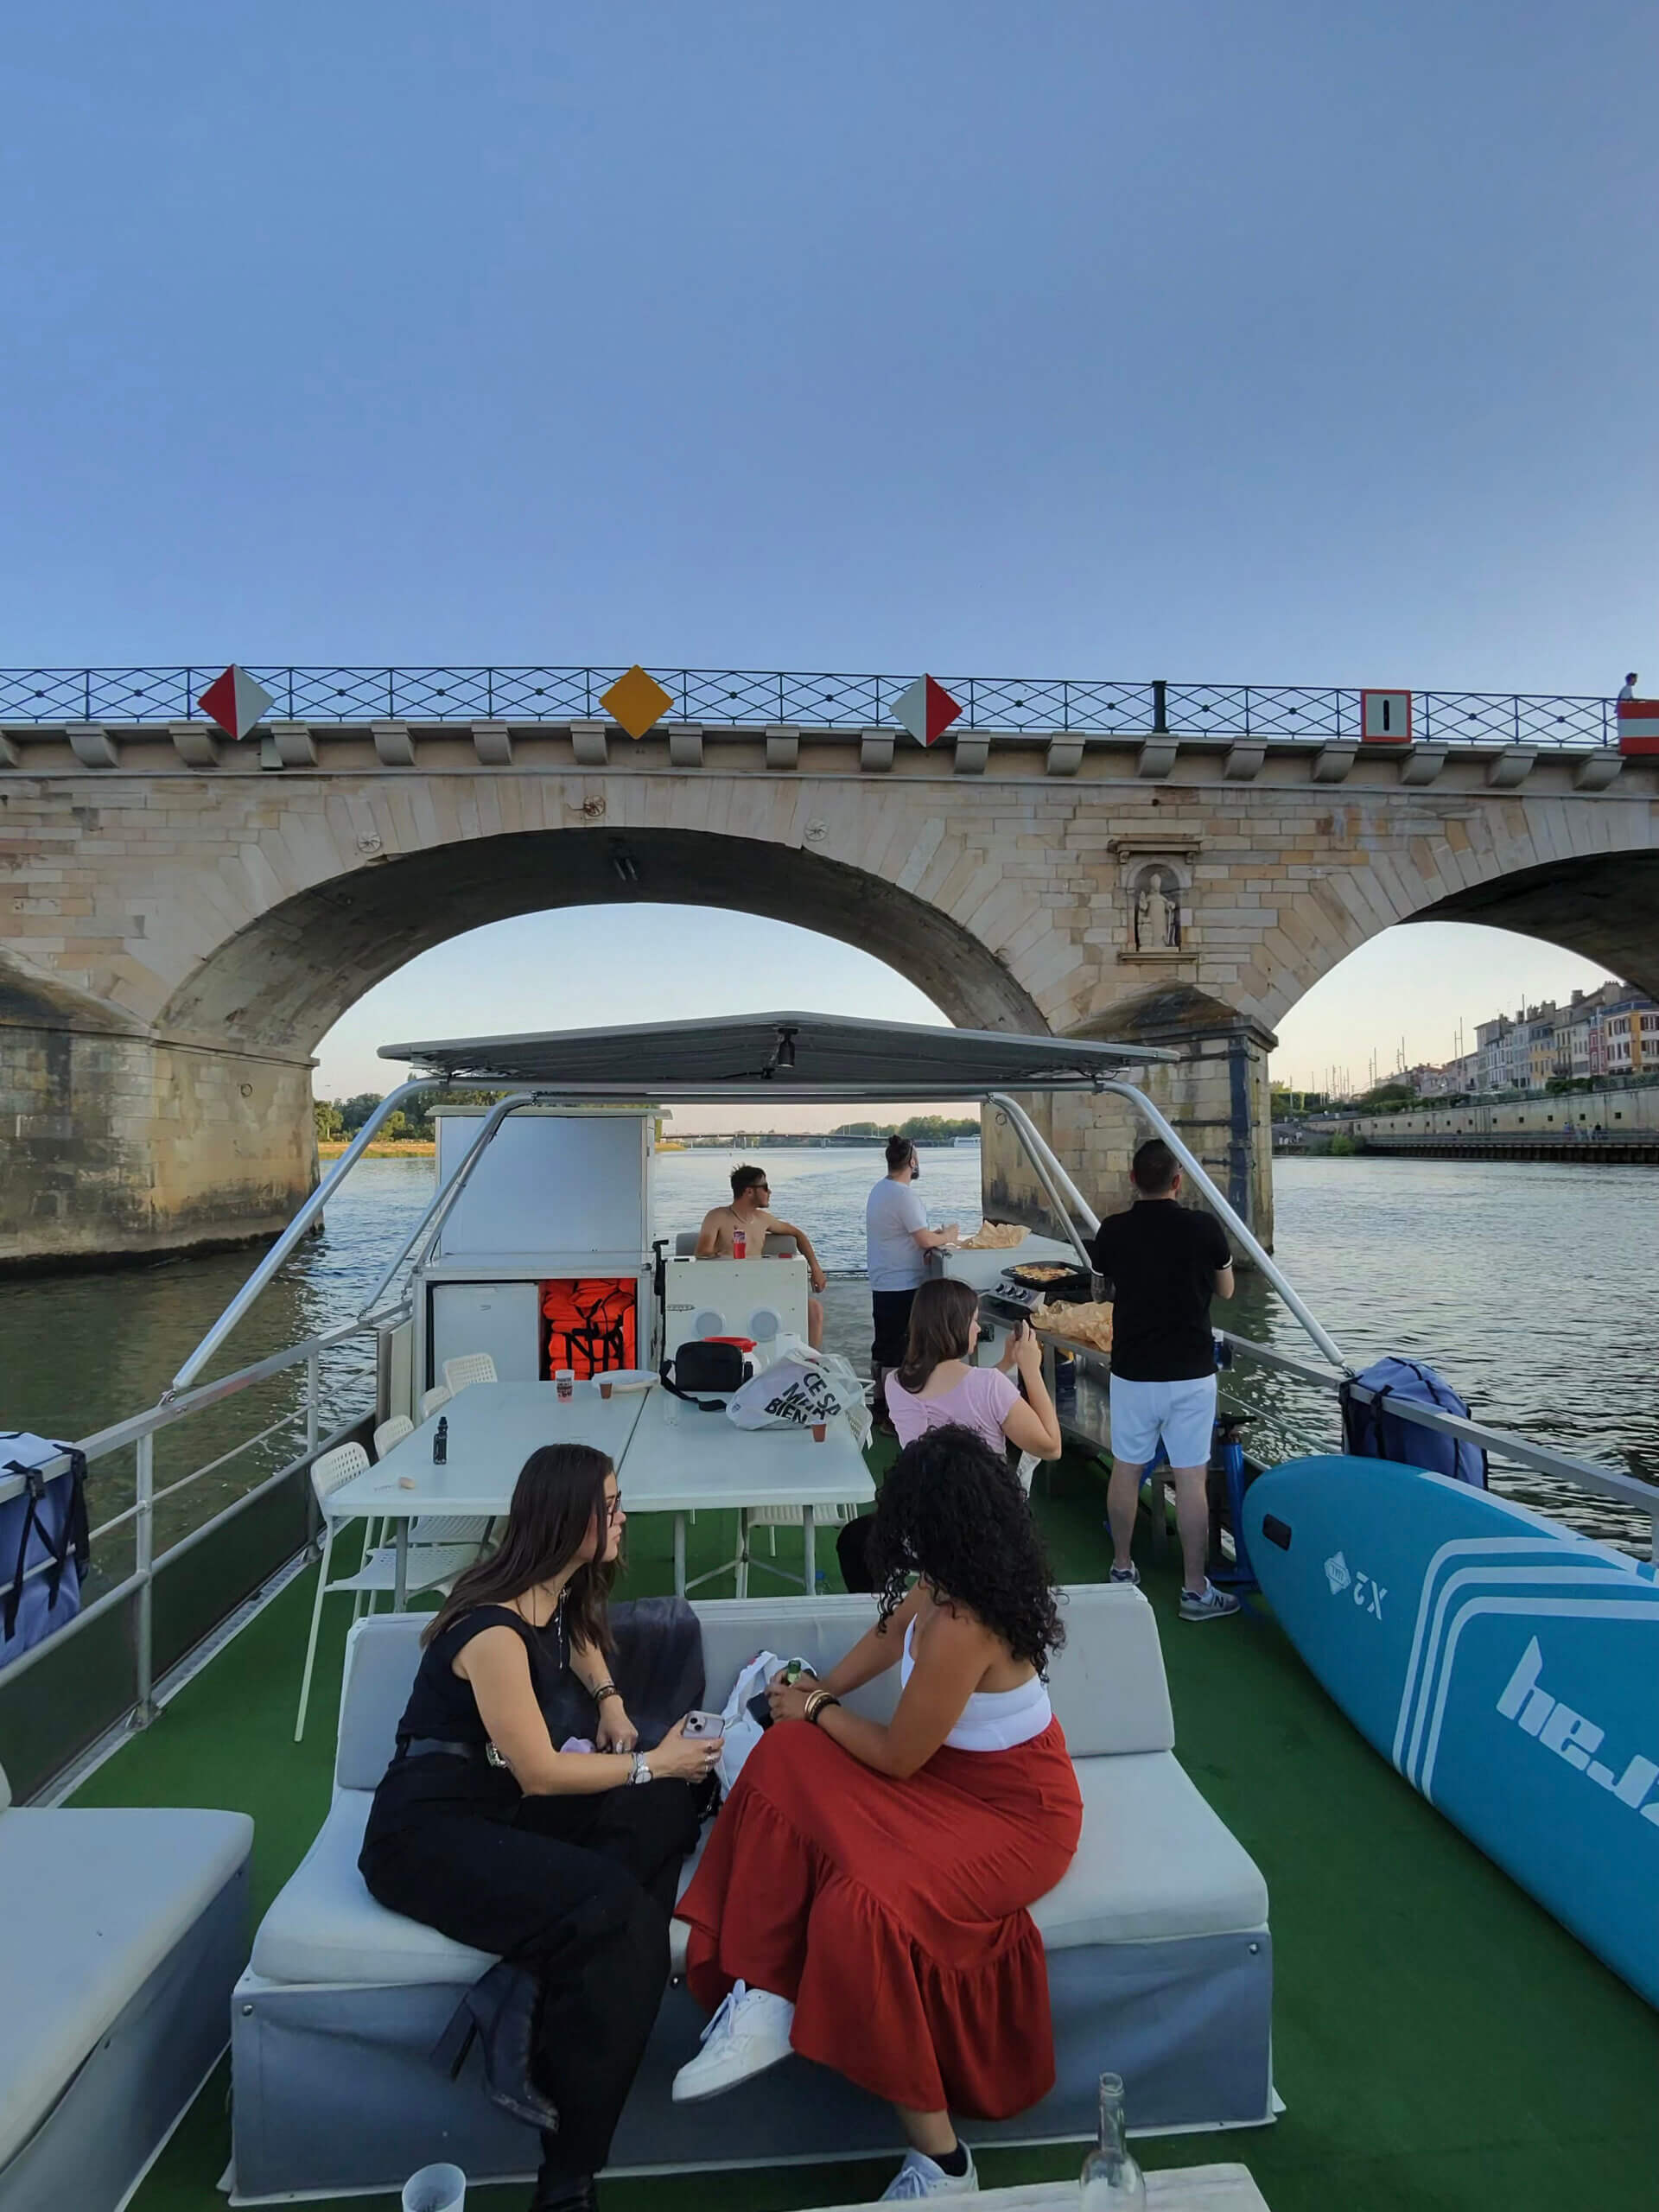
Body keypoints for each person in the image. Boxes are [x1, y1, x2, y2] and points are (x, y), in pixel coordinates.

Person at [671, 1426, 1083, 2202]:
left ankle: (945, 2164)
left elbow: (897, 1757)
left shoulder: (967, 1621)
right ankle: (767, 1989)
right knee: (785, 1755)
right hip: (948, 1785)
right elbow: (888, 1635)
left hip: (1019, 1816)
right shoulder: (946, 1579)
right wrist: (816, 1691)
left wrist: (818, 1708)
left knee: (858, 1906)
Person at [357, 1444, 720, 2212]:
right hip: (425, 1833)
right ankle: (568, 2179)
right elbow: (541, 1773)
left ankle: (518, 1988)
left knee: (670, 1806)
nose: (623, 1518)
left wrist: (612, 1701)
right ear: (568, 1521)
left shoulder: (553, 1588)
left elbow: (576, 1637)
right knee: (620, 1910)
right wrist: (653, 1760)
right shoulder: (491, 1630)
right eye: (610, 1507)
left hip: (496, 1811)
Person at [1090, 1137, 1240, 1623]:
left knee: (1126, 1468)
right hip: (1191, 1373)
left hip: (1133, 1371)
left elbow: (1102, 1288)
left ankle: (1121, 1568)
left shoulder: (1113, 1230)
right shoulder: (1204, 1228)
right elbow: (1227, 1289)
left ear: (1134, 1179)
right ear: (1178, 1181)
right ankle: (1195, 1590)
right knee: (1191, 1479)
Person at [886, 1276, 1062, 1461]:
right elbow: (1051, 1449)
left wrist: (1006, 1362)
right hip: (983, 1480)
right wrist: (1031, 1370)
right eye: (974, 1321)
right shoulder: (991, 1384)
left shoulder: (895, 1383)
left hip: (921, 1480)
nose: (978, 1329)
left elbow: (964, 1393)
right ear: (956, 1326)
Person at [865, 1135, 959, 1403]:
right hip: (902, 1282)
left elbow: (902, 1234)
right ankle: (893, 1407)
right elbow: (924, 1240)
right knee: (900, 1348)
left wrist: (930, 1237)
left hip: (884, 1278)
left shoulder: (880, 1189)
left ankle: (881, 1402)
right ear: (913, 1163)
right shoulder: (904, 1196)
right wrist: (948, 1235)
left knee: (885, 1345)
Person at [697, 1164, 828, 1349]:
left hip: (761, 1288)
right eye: (765, 1187)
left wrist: (815, 1268)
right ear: (749, 1191)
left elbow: (798, 1234)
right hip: (726, 1289)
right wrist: (727, 1256)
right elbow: (702, 1252)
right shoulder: (717, 1216)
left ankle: (812, 1361)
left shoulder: (763, 1219)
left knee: (814, 1309)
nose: (770, 1192)